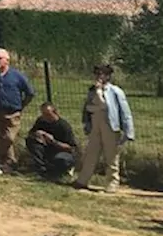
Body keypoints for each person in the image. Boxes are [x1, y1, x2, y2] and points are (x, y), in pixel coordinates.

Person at [74, 64, 135, 193]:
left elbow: (125, 112)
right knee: (91, 153)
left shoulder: (115, 91)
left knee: (111, 156)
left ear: (107, 76)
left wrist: (129, 131)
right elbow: (87, 109)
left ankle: (112, 182)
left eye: (100, 74)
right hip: (96, 125)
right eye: (96, 74)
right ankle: (82, 180)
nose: (97, 76)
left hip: (110, 126)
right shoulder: (91, 91)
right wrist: (86, 123)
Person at [0, 47, 35, 174]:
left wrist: (22, 105)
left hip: (13, 113)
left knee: (9, 138)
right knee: (4, 139)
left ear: (7, 60)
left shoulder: (17, 76)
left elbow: (30, 93)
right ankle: (10, 163)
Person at [25, 102, 78, 181]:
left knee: (61, 159)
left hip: (62, 151)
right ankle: (42, 170)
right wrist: (37, 135)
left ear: (55, 113)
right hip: (47, 148)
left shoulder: (63, 126)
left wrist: (53, 141)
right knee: (31, 142)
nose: (45, 116)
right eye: (43, 114)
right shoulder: (41, 121)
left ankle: (61, 171)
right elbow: (31, 133)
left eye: (47, 114)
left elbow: (70, 147)